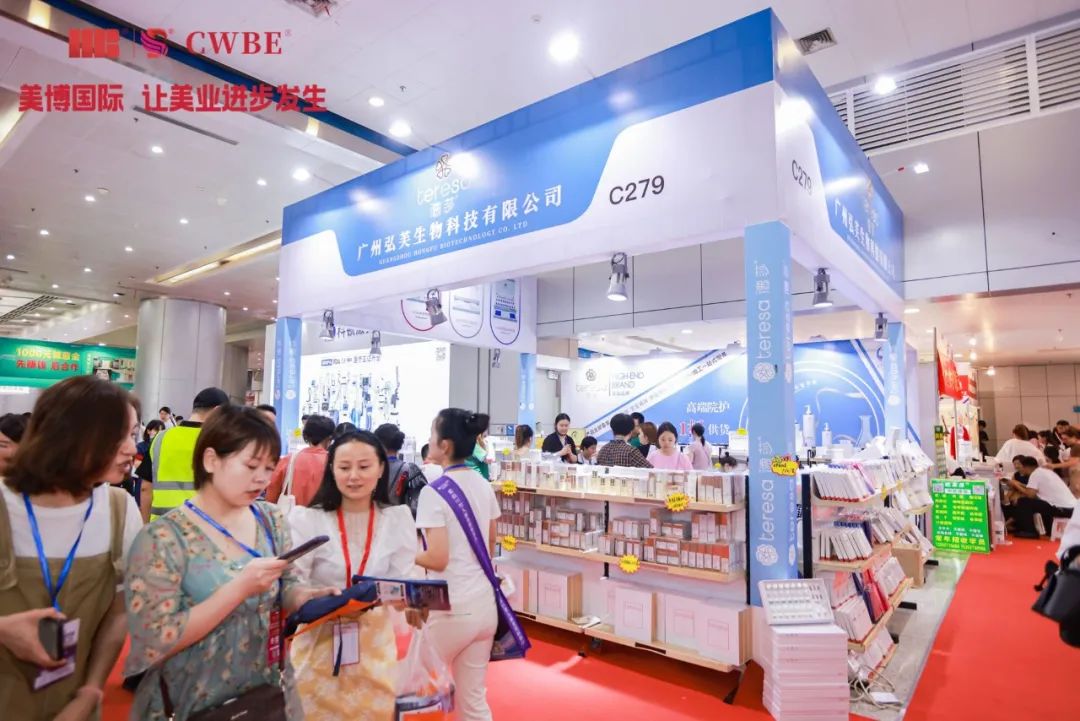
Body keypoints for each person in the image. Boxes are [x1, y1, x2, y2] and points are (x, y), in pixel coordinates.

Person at [124, 404, 336, 721]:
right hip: (186, 703)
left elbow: (286, 585)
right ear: (211, 460)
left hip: (262, 698)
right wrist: (239, 588)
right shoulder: (163, 538)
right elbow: (154, 641)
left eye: (269, 468)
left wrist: (305, 597)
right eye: (251, 466)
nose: (261, 479)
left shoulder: (271, 520)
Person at [0, 376, 142, 720]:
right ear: (68, 435)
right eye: (118, 436)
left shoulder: (120, 510)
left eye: (133, 434)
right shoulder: (6, 505)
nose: (130, 449)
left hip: (72, 705)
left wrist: (91, 691)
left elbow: (118, 611)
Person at [287, 430, 419, 719]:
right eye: (344, 467)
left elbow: (402, 581)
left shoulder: (396, 520)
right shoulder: (309, 520)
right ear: (332, 470)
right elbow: (292, 582)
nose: (354, 476)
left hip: (374, 649)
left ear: (381, 468)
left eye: (364, 466)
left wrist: (412, 603)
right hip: (318, 644)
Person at [416, 409, 500, 721]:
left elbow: (437, 559)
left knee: (420, 694)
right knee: (473, 701)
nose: (429, 440)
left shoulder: (433, 492)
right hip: (484, 605)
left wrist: (403, 552)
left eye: (432, 434)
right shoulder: (482, 484)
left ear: (445, 445)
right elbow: (490, 545)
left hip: (451, 607)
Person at [147, 387, 230, 519]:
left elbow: (145, 487)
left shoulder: (160, 438)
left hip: (160, 524)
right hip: (202, 523)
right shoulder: (219, 442)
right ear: (217, 411)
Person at [266, 415, 336, 507]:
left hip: (291, 514)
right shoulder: (334, 462)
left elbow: (272, 494)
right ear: (330, 438)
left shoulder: (289, 460)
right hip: (324, 514)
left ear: (306, 436)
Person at [1005, 456, 1077, 538]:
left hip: (1062, 508)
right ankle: (1045, 530)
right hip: (1071, 507)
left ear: (1026, 467)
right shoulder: (1045, 472)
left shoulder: (1035, 474)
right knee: (1034, 503)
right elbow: (1033, 491)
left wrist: (1015, 484)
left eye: (1021, 467)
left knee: (1023, 502)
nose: (1019, 470)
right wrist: (1019, 484)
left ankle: (1029, 531)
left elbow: (1030, 495)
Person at [374, 422, 428, 516]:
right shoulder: (410, 469)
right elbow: (420, 501)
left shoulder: (370, 468)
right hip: (400, 518)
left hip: (374, 518)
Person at [134, 420, 166, 522]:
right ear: (148, 431)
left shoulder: (164, 446)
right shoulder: (141, 446)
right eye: (156, 430)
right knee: (142, 509)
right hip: (144, 481)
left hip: (159, 484)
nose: (158, 433)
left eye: (161, 431)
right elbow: (137, 463)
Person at [465, 414, 492, 481]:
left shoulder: (467, 442)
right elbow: (486, 460)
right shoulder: (474, 445)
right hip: (478, 477)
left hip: (472, 476)